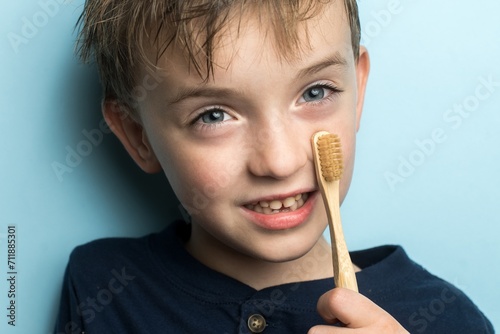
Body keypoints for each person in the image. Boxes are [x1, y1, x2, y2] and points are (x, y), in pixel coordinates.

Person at [55, 0, 494, 333]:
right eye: (213, 115)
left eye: (316, 92)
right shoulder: (102, 288)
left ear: (356, 91)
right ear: (137, 136)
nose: (281, 161)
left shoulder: (446, 319)